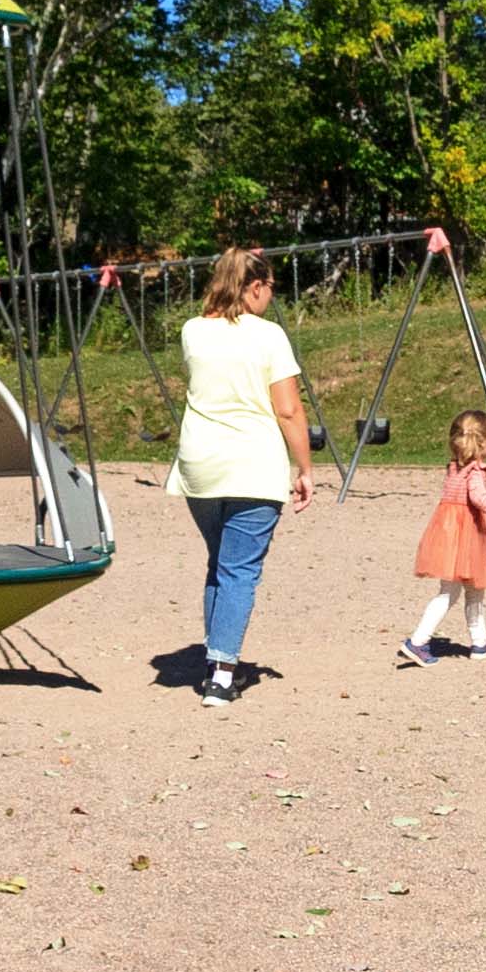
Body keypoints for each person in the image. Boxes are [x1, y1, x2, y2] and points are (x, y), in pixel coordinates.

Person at [165, 248, 316, 705]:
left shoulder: (192, 331)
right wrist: (306, 468)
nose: (271, 296)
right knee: (240, 571)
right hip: (251, 465)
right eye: (270, 287)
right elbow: (288, 409)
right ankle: (223, 676)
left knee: (221, 564)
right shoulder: (268, 336)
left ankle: (216, 660)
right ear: (255, 287)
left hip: (200, 466)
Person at [399, 409, 486, 665]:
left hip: (450, 533)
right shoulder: (475, 471)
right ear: (482, 443)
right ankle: (418, 641)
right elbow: (479, 498)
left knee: (474, 589)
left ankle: (480, 643)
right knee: (450, 592)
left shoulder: (454, 467)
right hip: (465, 537)